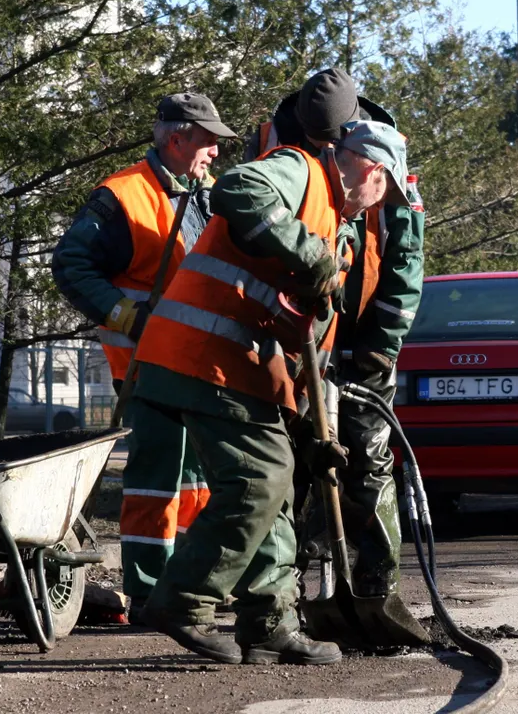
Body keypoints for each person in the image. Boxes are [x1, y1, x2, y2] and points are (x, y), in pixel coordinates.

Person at [132, 70, 401, 665]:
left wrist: (312, 427)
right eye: (382, 182)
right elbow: (237, 189)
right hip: (201, 359)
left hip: (239, 371)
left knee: (277, 488)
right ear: (365, 164)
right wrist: (308, 256)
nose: (382, 198)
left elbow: (309, 341)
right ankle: (181, 600)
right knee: (258, 481)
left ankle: (269, 623)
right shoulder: (299, 171)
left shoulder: (339, 226)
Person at [50, 93, 235, 613]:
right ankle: (150, 590)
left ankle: (192, 584)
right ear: (177, 139)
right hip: (147, 368)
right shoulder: (124, 196)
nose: (216, 152)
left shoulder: (206, 194)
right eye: (208, 141)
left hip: (202, 367)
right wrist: (128, 318)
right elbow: (71, 266)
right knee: (159, 479)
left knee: (198, 480)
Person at [333, 124, 419, 599]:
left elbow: (406, 273)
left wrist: (380, 345)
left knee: (368, 457)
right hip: (308, 345)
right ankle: (289, 585)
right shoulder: (307, 171)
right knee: (301, 462)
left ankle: (377, 583)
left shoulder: (397, 195)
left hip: (366, 348)